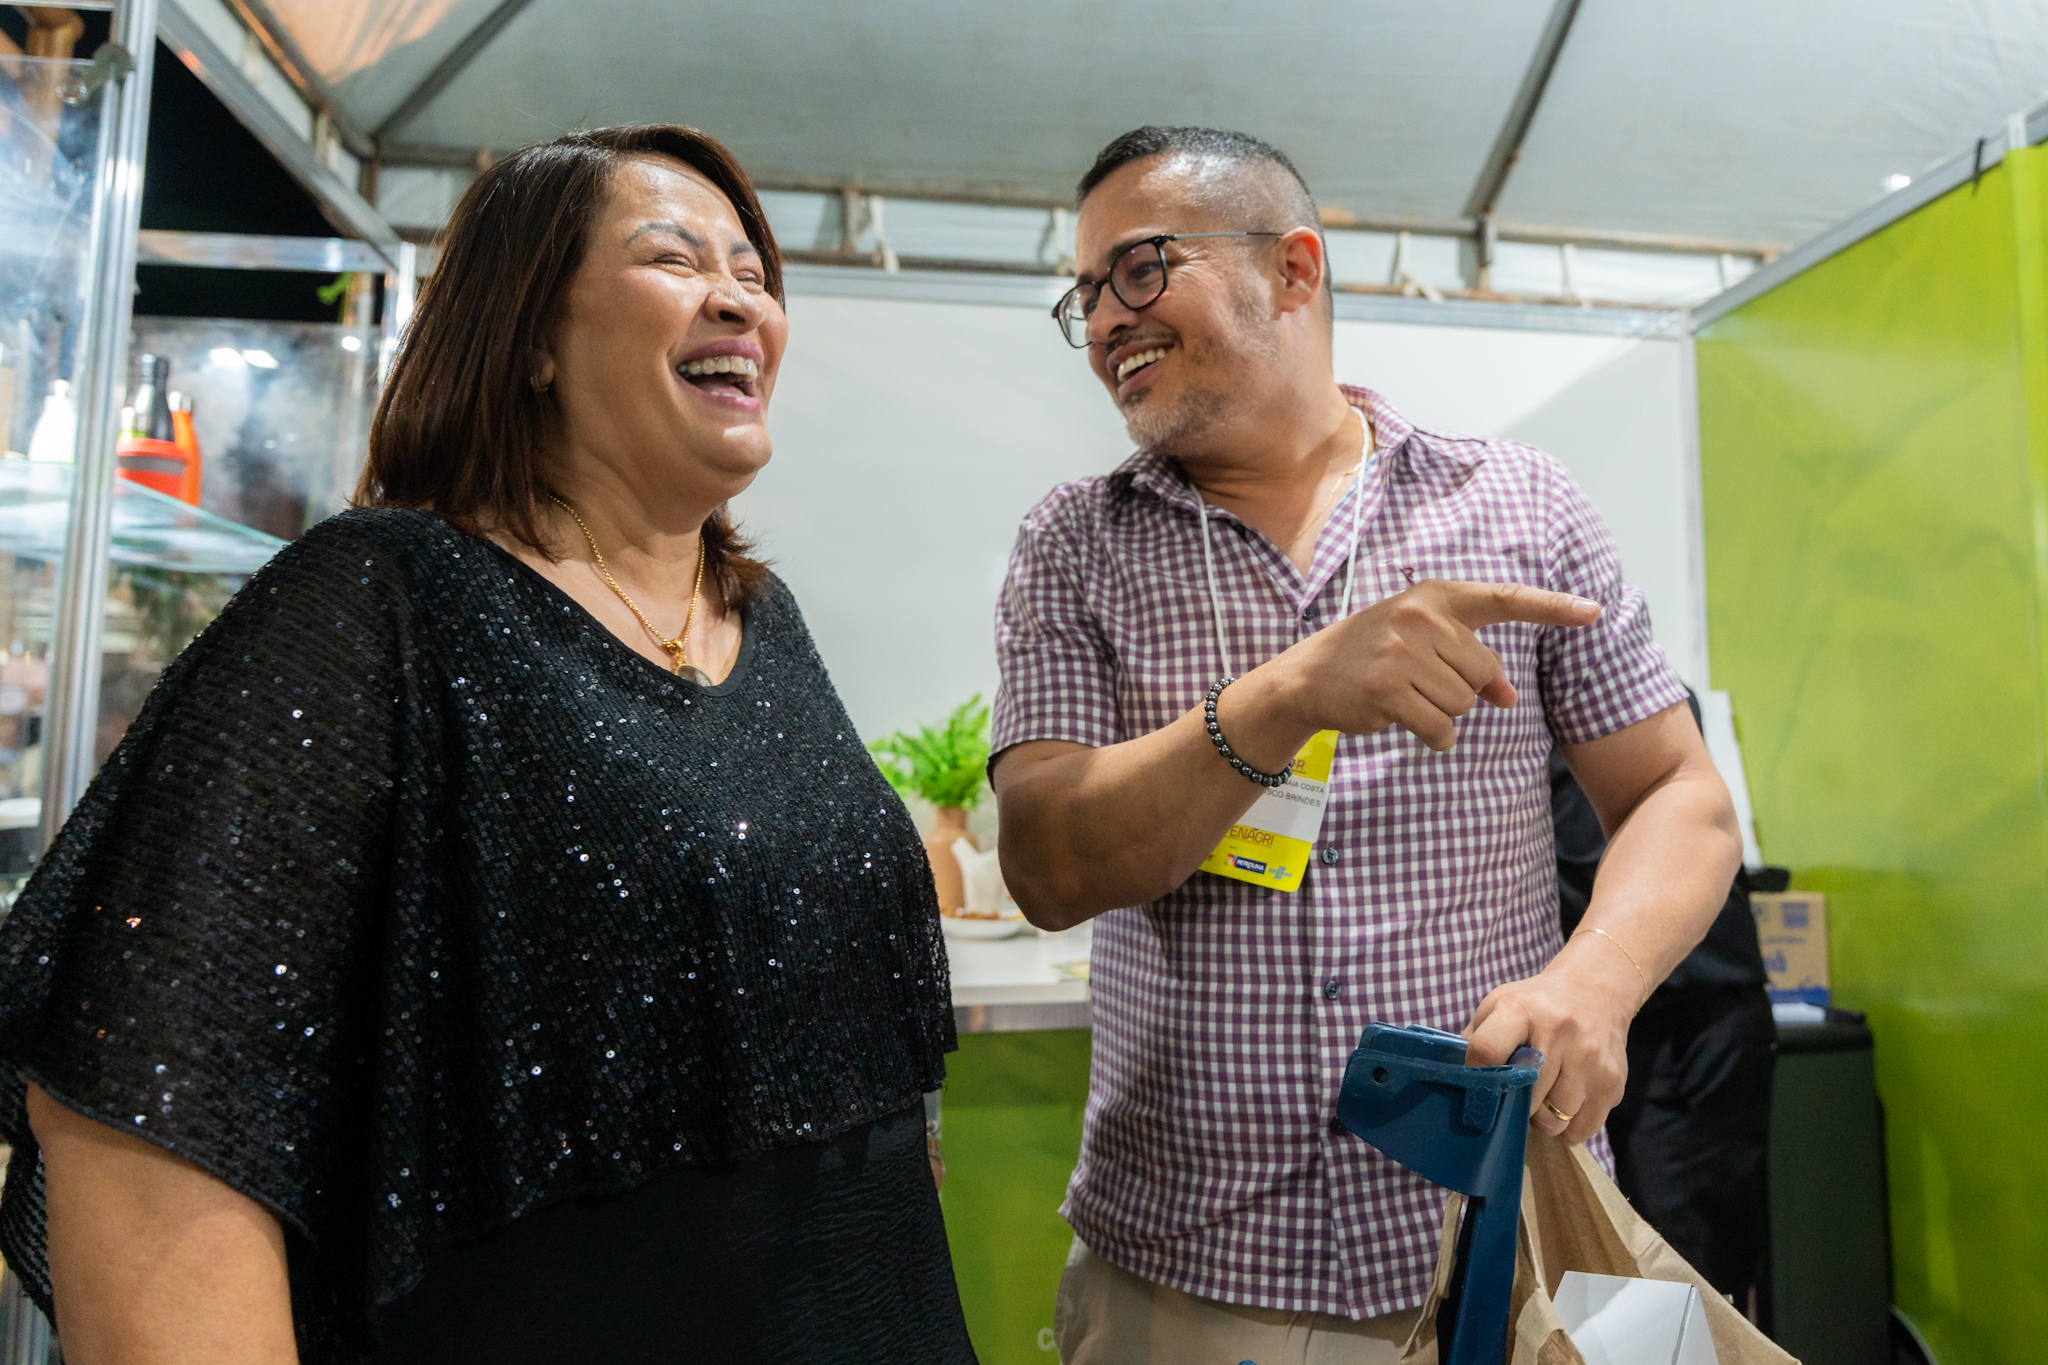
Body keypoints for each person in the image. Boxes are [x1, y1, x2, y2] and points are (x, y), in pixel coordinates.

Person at [0, 125, 975, 1364]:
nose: (741, 297)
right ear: (525, 338)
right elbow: (147, 1112)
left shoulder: (758, 621)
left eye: (753, 270)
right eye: (675, 259)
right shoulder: (379, 598)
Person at [989, 125, 1743, 1362]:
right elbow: (1047, 866)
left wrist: (1595, 983)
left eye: (1136, 269)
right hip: (1189, 1270)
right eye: (1083, 296)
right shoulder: (1073, 546)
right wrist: (1284, 696)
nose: (1105, 319)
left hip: (1522, 1233)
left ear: (1292, 268)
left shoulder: (1521, 503)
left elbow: (1678, 794)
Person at [1550, 699, 1775, 1315]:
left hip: (1684, 1009)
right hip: (1640, 1011)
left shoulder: (1622, 704)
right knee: (1650, 1244)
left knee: (1685, 1249)